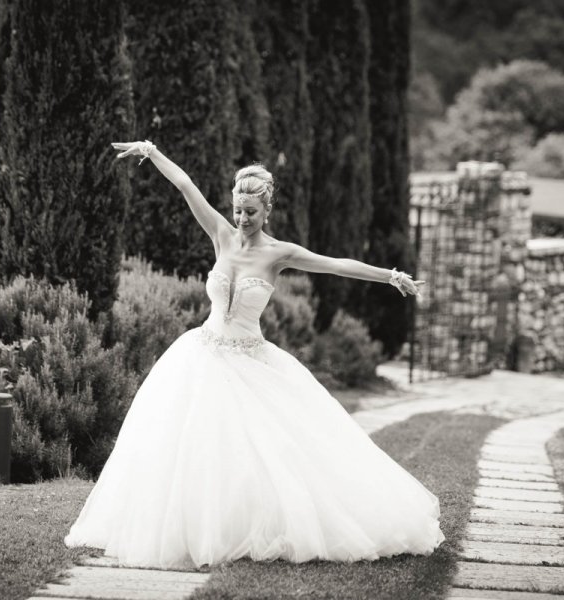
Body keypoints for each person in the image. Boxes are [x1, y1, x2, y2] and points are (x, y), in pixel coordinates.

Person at [64, 140, 444, 569]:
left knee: (266, 452)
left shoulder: (279, 253)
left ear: (267, 211)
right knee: (194, 448)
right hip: (202, 356)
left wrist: (390, 276)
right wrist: (151, 152)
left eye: (251, 212)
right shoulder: (221, 235)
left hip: (250, 361)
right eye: (238, 210)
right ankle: (196, 527)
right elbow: (186, 185)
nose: (242, 219)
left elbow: (336, 264)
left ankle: (263, 526)